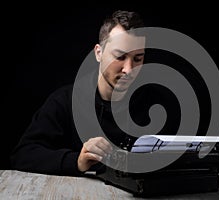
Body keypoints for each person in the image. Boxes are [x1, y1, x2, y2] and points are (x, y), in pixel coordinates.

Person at [10, 10, 180, 176]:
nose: (129, 70)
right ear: (98, 53)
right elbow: (23, 155)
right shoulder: (64, 101)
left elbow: (180, 159)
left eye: (138, 59)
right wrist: (77, 161)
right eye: (120, 57)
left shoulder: (158, 102)